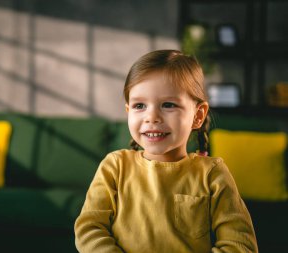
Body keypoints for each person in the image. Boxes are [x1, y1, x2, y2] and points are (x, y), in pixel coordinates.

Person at [74, 50, 258, 253]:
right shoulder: (114, 167)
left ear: (198, 115)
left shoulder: (212, 174)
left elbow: (240, 246)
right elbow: (89, 228)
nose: (151, 117)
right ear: (128, 112)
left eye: (168, 105)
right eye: (140, 105)